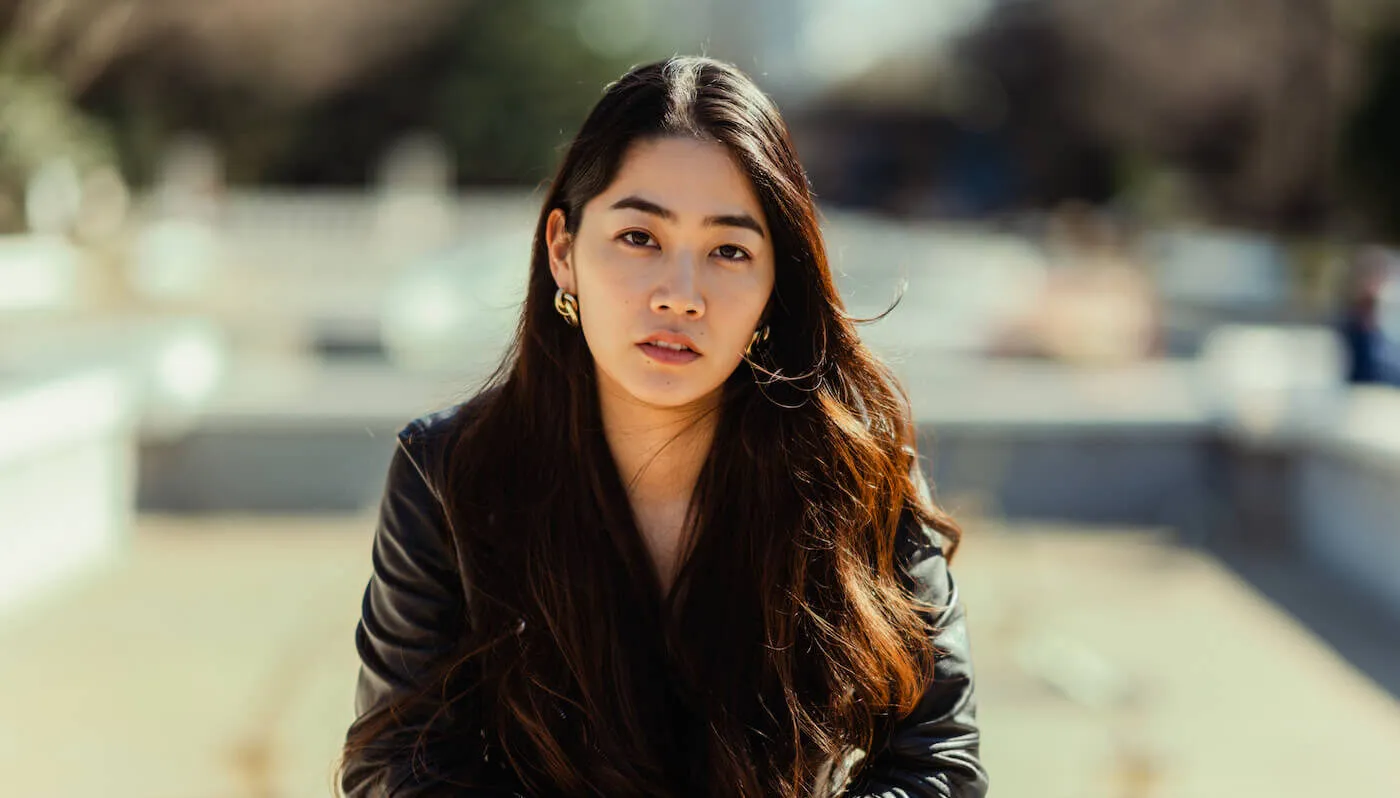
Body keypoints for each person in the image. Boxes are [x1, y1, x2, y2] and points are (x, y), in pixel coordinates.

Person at [337, 56, 987, 798]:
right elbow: (400, 767)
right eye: (639, 238)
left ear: (778, 284)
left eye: (729, 251)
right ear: (563, 251)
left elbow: (940, 764)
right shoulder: (451, 473)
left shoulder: (857, 470)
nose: (680, 296)